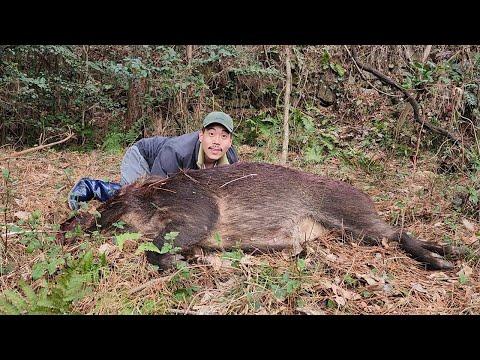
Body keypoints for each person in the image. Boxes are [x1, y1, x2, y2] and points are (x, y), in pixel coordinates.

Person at [68, 111, 238, 210]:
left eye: (223, 136)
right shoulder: (177, 152)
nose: (217, 141)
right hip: (142, 157)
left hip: (165, 166)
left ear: (230, 142)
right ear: (201, 135)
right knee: (139, 199)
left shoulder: (230, 159)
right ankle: (91, 187)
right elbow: (157, 191)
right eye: (212, 134)